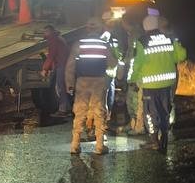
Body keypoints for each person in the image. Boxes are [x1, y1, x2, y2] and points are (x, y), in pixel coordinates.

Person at [129, 14, 187, 151]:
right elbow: (181, 56)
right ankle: (165, 134)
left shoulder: (142, 41)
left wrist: (132, 80)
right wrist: (176, 40)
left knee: (150, 113)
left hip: (150, 84)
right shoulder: (169, 38)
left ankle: (154, 140)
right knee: (165, 110)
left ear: (145, 27)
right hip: (168, 83)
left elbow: (137, 63)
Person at [65, 16, 117, 155]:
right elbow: (112, 63)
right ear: (99, 28)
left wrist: (69, 84)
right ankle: (99, 146)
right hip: (99, 82)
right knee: (99, 112)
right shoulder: (104, 44)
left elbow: (70, 66)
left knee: (80, 112)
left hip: (82, 82)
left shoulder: (78, 44)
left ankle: (75, 145)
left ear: (87, 28)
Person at [40, 24, 71, 116]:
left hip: (61, 65)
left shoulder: (53, 39)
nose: (44, 34)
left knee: (59, 87)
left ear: (50, 32)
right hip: (64, 64)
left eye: (45, 32)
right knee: (63, 86)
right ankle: (67, 108)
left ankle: (63, 110)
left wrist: (45, 69)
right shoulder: (58, 37)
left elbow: (51, 55)